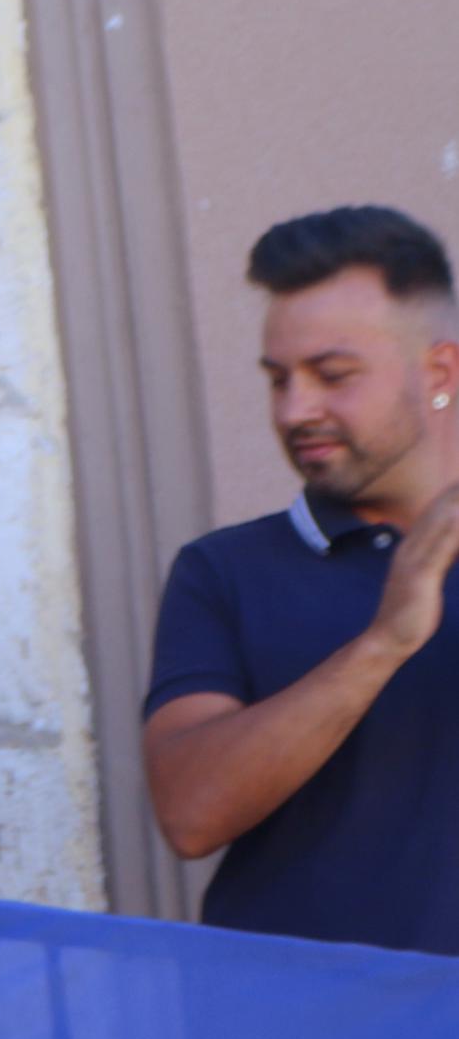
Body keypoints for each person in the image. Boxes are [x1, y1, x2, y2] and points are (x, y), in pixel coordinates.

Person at [143, 205, 459, 953]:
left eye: (331, 375)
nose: (294, 410)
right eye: (277, 379)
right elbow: (188, 812)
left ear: (438, 372)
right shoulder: (223, 571)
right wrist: (382, 644)